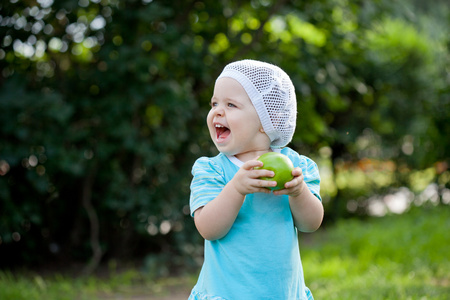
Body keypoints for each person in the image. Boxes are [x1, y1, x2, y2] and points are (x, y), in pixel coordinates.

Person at [188, 59, 324, 300]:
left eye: (231, 104)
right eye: (215, 103)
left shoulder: (296, 167)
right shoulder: (212, 170)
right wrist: (236, 188)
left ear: (266, 120)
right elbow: (208, 229)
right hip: (228, 293)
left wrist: (299, 192)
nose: (217, 111)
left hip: (282, 294)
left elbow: (310, 224)